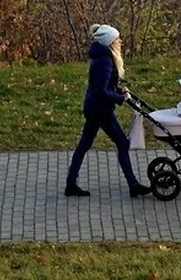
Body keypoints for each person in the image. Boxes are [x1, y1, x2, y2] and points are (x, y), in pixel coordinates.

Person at [64, 24, 151, 198]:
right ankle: (133, 185)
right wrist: (121, 98)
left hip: (94, 107)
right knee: (122, 143)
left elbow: (102, 86)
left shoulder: (101, 57)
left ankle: (71, 184)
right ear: (110, 42)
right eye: (117, 39)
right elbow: (101, 91)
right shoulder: (105, 61)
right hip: (100, 110)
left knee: (84, 145)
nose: (120, 41)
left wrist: (119, 90)